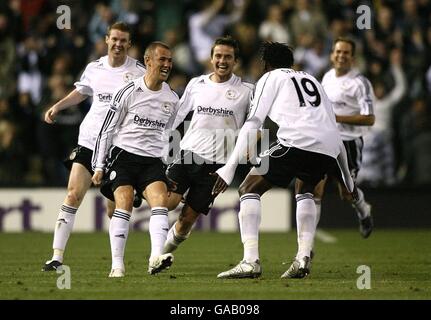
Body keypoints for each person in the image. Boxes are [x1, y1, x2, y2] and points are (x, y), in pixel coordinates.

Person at [212, 42, 356, 279]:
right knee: (305, 188)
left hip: (298, 141)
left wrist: (229, 168)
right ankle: (302, 258)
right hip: (328, 148)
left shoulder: (270, 78)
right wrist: (348, 182)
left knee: (249, 188)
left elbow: (254, 122)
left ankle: (250, 261)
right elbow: (335, 134)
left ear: (265, 64)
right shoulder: (314, 81)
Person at [42, 22, 145, 271]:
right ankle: (56, 257)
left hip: (118, 146)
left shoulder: (140, 72)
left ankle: (117, 263)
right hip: (89, 140)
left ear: (129, 44)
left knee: (115, 209)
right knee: (72, 194)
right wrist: (58, 106)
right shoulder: (94, 68)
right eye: (114, 39)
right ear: (107, 39)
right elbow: (81, 92)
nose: (118, 44)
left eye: (123, 41)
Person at [91, 41, 180, 278]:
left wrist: (168, 167)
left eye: (169, 60)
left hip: (152, 161)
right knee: (125, 201)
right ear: (148, 61)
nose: (167, 65)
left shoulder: (172, 98)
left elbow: (169, 136)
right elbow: (106, 130)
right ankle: (117, 266)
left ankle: (155, 258)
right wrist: (99, 165)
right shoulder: (129, 91)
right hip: (124, 157)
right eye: (162, 59)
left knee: (160, 202)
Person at [161, 36, 254, 255]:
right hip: (188, 155)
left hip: (216, 167)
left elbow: (255, 124)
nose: (222, 61)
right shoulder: (197, 84)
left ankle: (163, 252)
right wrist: (162, 143)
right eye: (218, 56)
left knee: (186, 221)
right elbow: (177, 116)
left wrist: (249, 143)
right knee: (168, 203)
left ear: (235, 61)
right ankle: (157, 255)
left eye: (228, 57)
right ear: (211, 59)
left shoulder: (247, 91)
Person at [296, 37, 375, 238]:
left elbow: (369, 118)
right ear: (332, 55)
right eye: (338, 52)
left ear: (352, 57)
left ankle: (364, 210)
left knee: (347, 194)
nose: (341, 56)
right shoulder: (327, 76)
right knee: (315, 190)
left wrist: (336, 117)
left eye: (346, 52)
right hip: (324, 141)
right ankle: (308, 244)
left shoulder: (360, 83)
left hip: (348, 143)